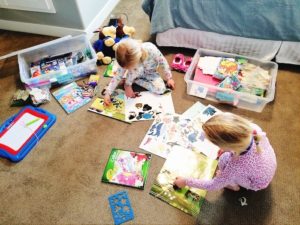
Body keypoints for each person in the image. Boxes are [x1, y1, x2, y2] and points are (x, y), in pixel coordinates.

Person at [174, 112, 277, 191]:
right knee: (225, 157)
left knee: (223, 161)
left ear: (228, 146)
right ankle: (231, 178)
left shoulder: (235, 165)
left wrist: (185, 181)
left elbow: (213, 185)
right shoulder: (254, 129)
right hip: (268, 163)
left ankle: (233, 186)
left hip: (258, 183)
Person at [104, 38, 175, 105]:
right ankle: (128, 83)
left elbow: (163, 62)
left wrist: (169, 78)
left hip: (150, 73)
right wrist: (108, 93)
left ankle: (132, 81)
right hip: (133, 75)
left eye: (129, 67)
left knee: (161, 89)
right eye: (127, 68)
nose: (127, 69)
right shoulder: (125, 60)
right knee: (131, 72)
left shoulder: (151, 50)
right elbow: (117, 76)